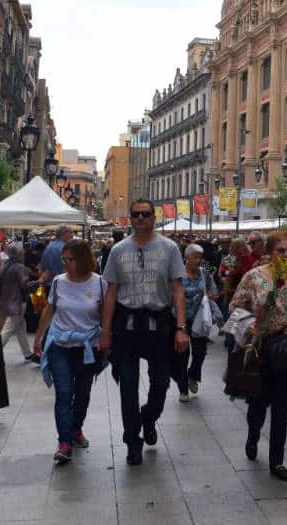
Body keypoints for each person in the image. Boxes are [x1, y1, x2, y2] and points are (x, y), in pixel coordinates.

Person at [99, 200, 188, 467]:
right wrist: (105, 331)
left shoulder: (169, 248)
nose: (140, 218)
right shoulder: (117, 250)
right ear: (131, 217)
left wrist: (181, 327)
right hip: (126, 323)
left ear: (153, 217)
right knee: (127, 386)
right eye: (136, 214)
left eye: (145, 214)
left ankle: (148, 417)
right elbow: (111, 292)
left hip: (159, 322)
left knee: (161, 382)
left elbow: (178, 289)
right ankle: (132, 441)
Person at [230, 231, 287, 481]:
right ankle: (253, 435)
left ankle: (277, 460)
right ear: (270, 252)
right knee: (258, 403)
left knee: (280, 405)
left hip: (286, 348)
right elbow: (234, 306)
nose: (286, 255)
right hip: (260, 348)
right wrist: (251, 323)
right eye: (281, 251)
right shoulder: (254, 277)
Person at [33, 239, 107, 465]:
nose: (65, 264)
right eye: (63, 259)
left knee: (82, 394)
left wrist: (106, 338)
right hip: (60, 345)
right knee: (64, 393)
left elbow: (105, 314)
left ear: (84, 259)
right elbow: (50, 308)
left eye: (70, 259)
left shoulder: (99, 283)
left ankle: (76, 428)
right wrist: (38, 337)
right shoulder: (58, 282)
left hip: (87, 347)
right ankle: (64, 442)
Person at [173, 244, 217, 401]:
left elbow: (213, 290)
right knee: (182, 355)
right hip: (180, 318)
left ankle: (193, 374)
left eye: (200, 257)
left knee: (200, 353)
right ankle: (183, 390)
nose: (199, 260)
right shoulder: (177, 274)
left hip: (199, 318)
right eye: (196, 256)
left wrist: (212, 295)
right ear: (187, 257)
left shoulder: (204, 274)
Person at [0, 244, 40, 361]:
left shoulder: (4, 266)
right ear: (18, 254)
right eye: (22, 253)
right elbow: (25, 286)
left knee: (20, 326)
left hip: (6, 301)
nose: (23, 255)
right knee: (9, 327)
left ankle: (27, 353)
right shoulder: (20, 267)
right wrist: (38, 282)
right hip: (18, 302)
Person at [41, 226, 74, 292]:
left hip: (48, 286)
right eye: (70, 232)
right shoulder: (65, 248)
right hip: (62, 286)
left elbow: (42, 269)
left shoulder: (48, 247)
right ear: (64, 233)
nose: (72, 235)